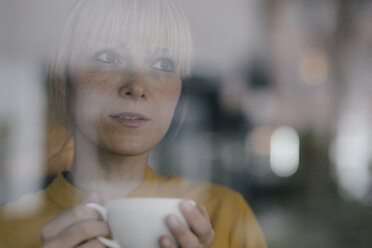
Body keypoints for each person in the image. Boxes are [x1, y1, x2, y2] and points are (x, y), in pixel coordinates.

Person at [0, 0, 267, 247]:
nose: (137, 86)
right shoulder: (8, 232)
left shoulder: (226, 215)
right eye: (108, 58)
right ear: (64, 81)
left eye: (163, 63)